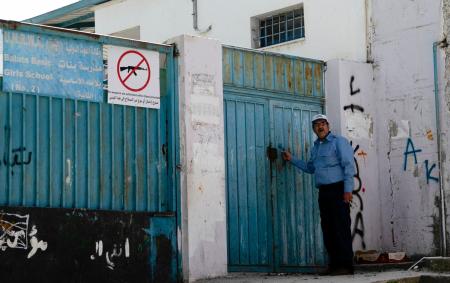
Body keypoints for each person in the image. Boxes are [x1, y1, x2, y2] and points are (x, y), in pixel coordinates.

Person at [282, 114, 355, 276]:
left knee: (341, 228)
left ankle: (346, 266)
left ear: (328, 125)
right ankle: (334, 265)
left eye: (322, 123)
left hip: (339, 190)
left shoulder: (339, 142)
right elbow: (310, 168)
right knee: (328, 229)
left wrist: (348, 190)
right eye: (316, 125)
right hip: (324, 192)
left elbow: (348, 166)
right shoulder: (316, 148)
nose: (320, 127)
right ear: (313, 128)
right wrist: (292, 159)